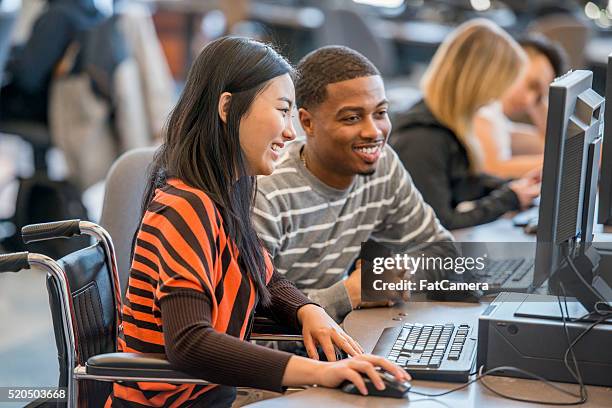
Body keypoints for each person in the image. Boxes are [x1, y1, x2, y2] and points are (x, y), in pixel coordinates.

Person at [107, 37, 408, 408]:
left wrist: (307, 310)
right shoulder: (184, 206)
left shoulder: (225, 192)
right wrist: (321, 373)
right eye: (282, 111)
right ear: (227, 107)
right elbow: (190, 343)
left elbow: (264, 277)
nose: (290, 132)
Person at [253, 45, 455, 324]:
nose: (374, 132)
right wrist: (350, 293)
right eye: (352, 118)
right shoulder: (268, 193)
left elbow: (442, 249)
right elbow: (253, 309)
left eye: (381, 113)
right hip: (284, 353)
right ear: (307, 123)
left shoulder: (382, 166)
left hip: (342, 332)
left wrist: (395, 276)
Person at [390, 19, 541, 231]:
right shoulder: (424, 138)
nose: (496, 97)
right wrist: (508, 200)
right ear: (481, 83)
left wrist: (508, 188)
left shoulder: (446, 121)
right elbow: (440, 223)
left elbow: (460, 182)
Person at [474, 35, 568, 178]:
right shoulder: (481, 111)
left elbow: (547, 144)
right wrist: (570, 163)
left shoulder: (497, 118)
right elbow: (492, 168)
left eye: (537, 96)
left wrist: (540, 99)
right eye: (531, 84)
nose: (529, 100)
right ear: (512, 62)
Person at [0, 0, 104, 124]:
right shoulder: (90, 12)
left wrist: (7, 62)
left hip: (36, 107)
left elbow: (28, 78)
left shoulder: (57, 16)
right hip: (68, 107)